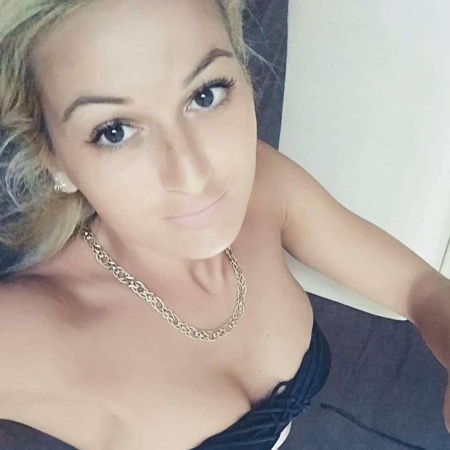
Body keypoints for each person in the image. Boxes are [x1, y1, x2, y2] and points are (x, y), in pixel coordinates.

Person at [0, 1, 449, 449]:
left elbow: (419, 289)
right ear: (54, 160)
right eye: (114, 131)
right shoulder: (30, 329)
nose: (192, 174)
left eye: (205, 94)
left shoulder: (264, 186)